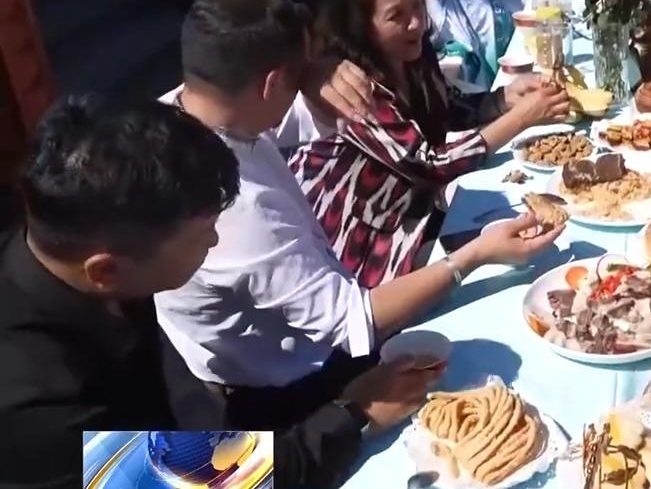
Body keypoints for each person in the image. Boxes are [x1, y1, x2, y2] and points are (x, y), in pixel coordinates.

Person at [156, 0, 563, 430]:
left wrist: (313, 77)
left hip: (285, 343)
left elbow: (289, 118)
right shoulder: (239, 212)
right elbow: (353, 321)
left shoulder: (196, 107)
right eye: (298, 75)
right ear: (270, 84)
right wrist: (474, 256)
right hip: (280, 396)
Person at [0, 97, 446, 489]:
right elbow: (205, 480)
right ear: (106, 271)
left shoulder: (88, 255)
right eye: (202, 235)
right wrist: (355, 415)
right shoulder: (37, 403)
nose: (215, 241)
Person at [291, 0, 569, 288]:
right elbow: (429, 163)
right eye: (396, 16)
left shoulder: (412, 57)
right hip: (368, 255)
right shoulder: (354, 88)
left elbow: (447, 109)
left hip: (419, 221)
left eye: (417, 6)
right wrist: (521, 118)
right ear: (361, 26)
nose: (416, 23)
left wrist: (504, 98)